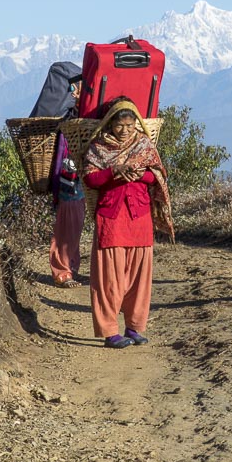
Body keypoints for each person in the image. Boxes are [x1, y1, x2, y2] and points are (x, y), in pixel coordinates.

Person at [82, 98, 175, 348]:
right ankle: (109, 331)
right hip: (111, 216)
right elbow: (90, 179)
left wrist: (139, 173)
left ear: (137, 124)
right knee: (108, 278)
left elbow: (157, 174)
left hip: (139, 216)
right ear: (110, 124)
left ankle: (133, 326)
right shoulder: (98, 147)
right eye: (119, 125)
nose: (124, 130)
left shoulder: (144, 145)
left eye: (130, 125)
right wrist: (114, 171)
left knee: (138, 276)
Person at [48, 79, 86, 289]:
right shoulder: (70, 116)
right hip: (69, 177)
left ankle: (71, 265)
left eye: (77, 88)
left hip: (82, 177)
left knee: (76, 223)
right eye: (73, 88)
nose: (74, 92)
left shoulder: (86, 113)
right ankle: (62, 270)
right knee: (68, 221)